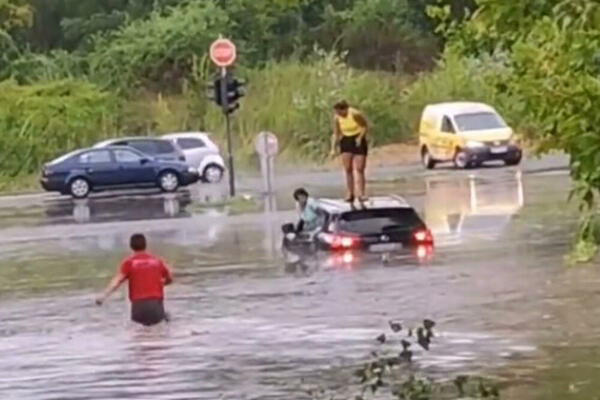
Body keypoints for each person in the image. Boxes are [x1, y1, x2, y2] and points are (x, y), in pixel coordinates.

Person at [96, 233, 173, 326]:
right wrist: (160, 283)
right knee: (165, 323)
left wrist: (103, 296)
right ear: (146, 245)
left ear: (131, 246)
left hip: (138, 307)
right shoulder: (157, 261)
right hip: (155, 305)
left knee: (140, 333)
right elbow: (169, 278)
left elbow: (117, 281)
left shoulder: (129, 263)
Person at [331, 100, 369, 203]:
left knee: (360, 168)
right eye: (336, 112)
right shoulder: (337, 118)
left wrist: (360, 138)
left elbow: (365, 126)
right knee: (348, 168)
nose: (338, 114)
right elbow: (336, 133)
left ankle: (361, 194)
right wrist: (333, 149)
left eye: (340, 112)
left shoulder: (355, 114)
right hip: (346, 140)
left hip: (358, 138)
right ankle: (350, 193)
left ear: (345, 109)